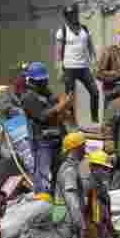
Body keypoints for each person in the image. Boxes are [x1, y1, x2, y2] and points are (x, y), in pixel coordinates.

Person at [23, 62, 74, 194]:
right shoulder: (28, 97)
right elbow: (42, 116)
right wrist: (60, 106)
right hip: (42, 142)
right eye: (40, 81)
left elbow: (57, 109)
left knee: (59, 172)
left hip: (56, 138)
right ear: (32, 81)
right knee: (43, 175)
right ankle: (41, 200)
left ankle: (57, 197)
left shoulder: (47, 93)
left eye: (44, 80)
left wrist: (64, 106)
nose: (43, 83)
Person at [53, 131, 90, 238]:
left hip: (65, 218)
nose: (85, 149)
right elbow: (72, 199)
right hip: (68, 220)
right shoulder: (69, 170)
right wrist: (80, 222)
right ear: (76, 148)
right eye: (83, 146)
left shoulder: (68, 167)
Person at [55, 3, 99, 122]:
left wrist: (94, 63)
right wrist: (59, 69)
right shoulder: (62, 31)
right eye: (69, 15)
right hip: (69, 68)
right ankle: (72, 121)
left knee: (95, 92)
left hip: (84, 67)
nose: (72, 16)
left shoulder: (85, 29)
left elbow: (91, 47)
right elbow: (58, 52)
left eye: (74, 14)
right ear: (66, 16)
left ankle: (95, 119)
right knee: (70, 97)